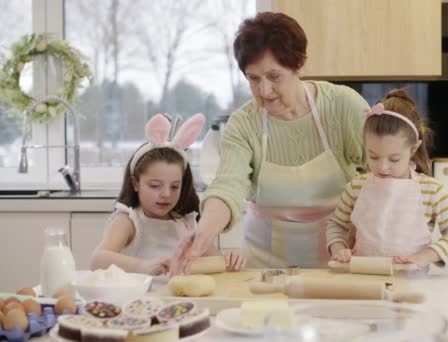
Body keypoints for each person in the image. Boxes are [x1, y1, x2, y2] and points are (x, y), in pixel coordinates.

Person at [171, 12, 369, 272]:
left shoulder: (343, 107)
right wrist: (202, 235)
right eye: (253, 79)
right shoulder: (243, 124)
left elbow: (385, 176)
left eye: (274, 77)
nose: (264, 91)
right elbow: (227, 187)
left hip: (339, 262)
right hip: (263, 268)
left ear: (298, 65)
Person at [326, 89, 448, 271]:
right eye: (373, 157)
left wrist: (424, 257)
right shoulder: (356, 187)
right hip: (362, 279)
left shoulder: (431, 190)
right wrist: (339, 248)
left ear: (413, 148)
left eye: (394, 159)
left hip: (413, 282)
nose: (382, 167)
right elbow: (336, 225)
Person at [91, 113, 246, 275]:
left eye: (174, 187)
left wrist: (229, 260)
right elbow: (97, 260)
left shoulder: (187, 223)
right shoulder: (129, 221)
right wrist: (142, 267)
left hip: (181, 298)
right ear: (135, 183)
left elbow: (216, 262)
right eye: (155, 186)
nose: (166, 194)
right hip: (142, 299)